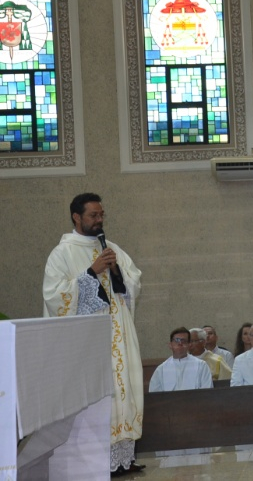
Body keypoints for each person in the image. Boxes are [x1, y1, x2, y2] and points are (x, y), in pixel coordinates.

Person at [42, 192, 145, 476]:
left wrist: (116, 272)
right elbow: (56, 296)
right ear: (77, 217)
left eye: (101, 215)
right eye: (93, 215)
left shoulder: (112, 247)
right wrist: (91, 272)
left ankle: (123, 458)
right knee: (99, 398)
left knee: (123, 392)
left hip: (118, 334)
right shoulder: (62, 253)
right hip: (89, 343)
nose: (99, 220)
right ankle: (96, 461)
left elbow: (133, 281)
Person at [149, 328, 214, 392]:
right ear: (170, 345)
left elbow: (207, 392)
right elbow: (155, 394)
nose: (180, 343)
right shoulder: (161, 369)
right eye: (177, 340)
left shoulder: (201, 366)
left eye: (184, 341)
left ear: (189, 345)